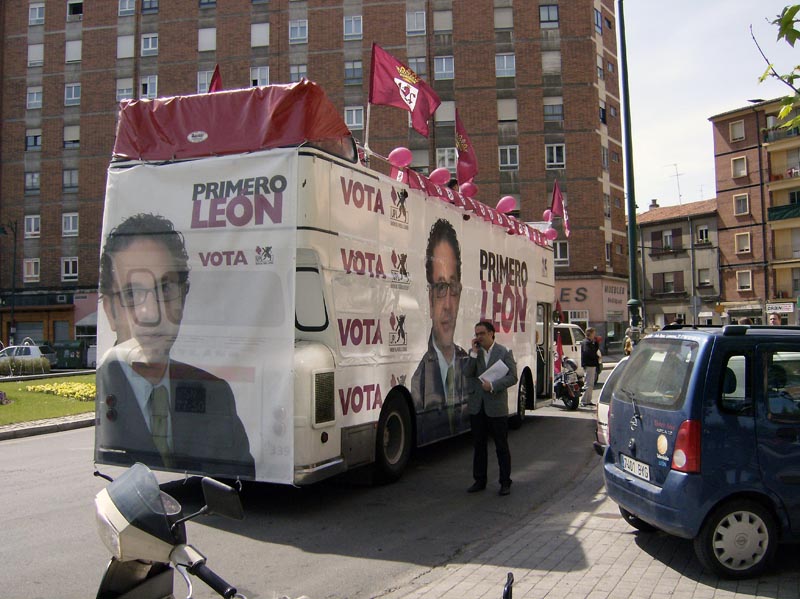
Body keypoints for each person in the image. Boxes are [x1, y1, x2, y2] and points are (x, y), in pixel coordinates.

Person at [96, 213, 255, 478]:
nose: (151, 313)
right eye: (132, 294)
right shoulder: (102, 388)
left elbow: (241, 485)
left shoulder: (214, 393)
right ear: (110, 312)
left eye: (165, 289)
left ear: (183, 298)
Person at [410, 219, 469, 442]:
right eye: (440, 287)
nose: (447, 304)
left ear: (460, 293)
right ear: (429, 298)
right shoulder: (419, 383)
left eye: (452, 288)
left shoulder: (469, 364)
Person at [464, 320, 518, 496]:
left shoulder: (503, 352)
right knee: (479, 445)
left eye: (481, 333)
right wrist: (473, 353)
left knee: (501, 446)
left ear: (491, 334)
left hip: (496, 406)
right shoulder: (475, 353)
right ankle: (479, 480)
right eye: (476, 334)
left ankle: (505, 482)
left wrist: (494, 385)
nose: (478, 337)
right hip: (477, 406)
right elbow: (467, 373)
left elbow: (513, 377)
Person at [580, 327, 601, 407]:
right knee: (588, 383)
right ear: (590, 334)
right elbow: (589, 353)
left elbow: (594, 350)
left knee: (591, 384)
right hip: (589, 364)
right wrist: (596, 357)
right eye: (593, 333)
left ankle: (588, 400)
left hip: (592, 364)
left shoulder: (590, 342)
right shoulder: (586, 342)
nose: (594, 335)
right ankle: (583, 400)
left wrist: (596, 343)